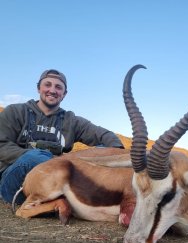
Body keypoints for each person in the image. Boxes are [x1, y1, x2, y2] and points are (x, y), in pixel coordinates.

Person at [0, 69, 124, 204]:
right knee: (33, 157)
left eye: (58, 87)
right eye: (47, 85)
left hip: (54, 181)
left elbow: (108, 137)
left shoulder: (71, 120)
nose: (52, 90)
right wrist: (52, 161)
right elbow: (2, 145)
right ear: (38, 88)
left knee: (99, 152)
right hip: (16, 181)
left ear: (64, 94)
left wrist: (115, 155)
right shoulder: (15, 112)